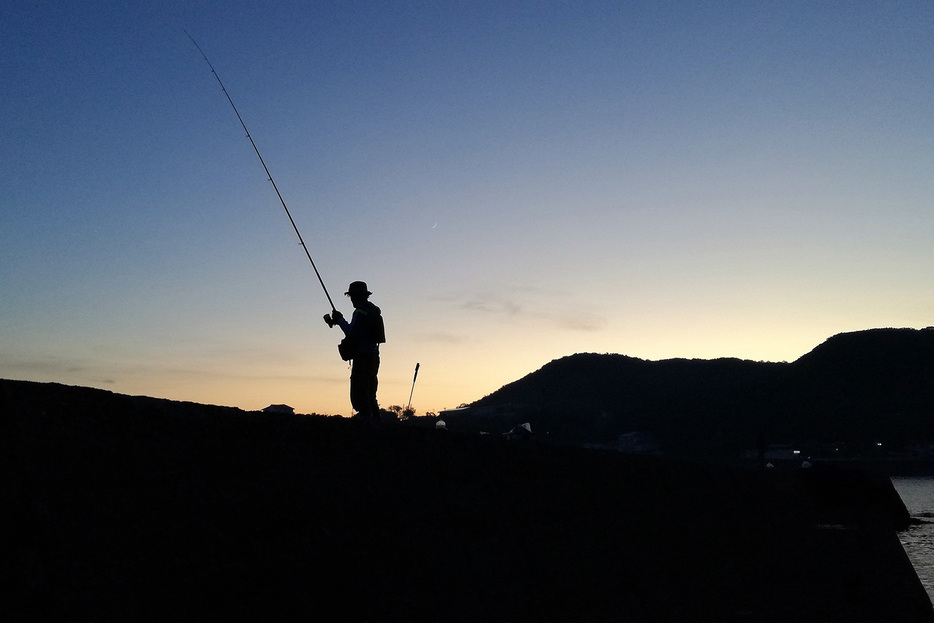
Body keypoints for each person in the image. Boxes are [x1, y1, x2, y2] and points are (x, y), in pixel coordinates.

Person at [325, 281, 386, 422]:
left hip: (362, 357)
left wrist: (339, 320)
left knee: (360, 393)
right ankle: (377, 424)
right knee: (370, 392)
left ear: (356, 296)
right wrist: (340, 320)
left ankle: (366, 425)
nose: (351, 299)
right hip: (374, 356)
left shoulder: (360, 311)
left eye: (352, 296)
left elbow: (351, 332)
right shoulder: (372, 311)